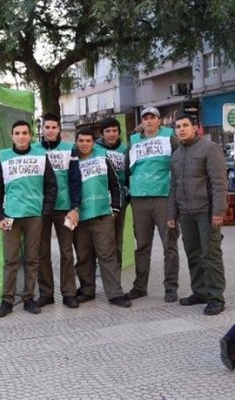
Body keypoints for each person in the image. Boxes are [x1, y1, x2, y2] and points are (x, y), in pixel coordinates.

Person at [0, 120, 57, 318]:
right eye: (17, 133)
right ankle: (7, 301)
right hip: (10, 216)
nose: (21, 136)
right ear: (12, 136)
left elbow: (51, 186)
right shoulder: (3, 156)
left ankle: (29, 298)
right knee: (10, 260)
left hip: (34, 216)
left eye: (25, 133)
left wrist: (44, 212)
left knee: (32, 259)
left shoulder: (40, 156)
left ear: (30, 136)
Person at [167, 115, 227, 315]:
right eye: (178, 126)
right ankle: (199, 292)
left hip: (207, 211)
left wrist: (218, 211)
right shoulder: (176, 155)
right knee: (193, 254)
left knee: (210, 254)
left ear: (195, 128)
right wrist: (171, 214)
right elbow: (174, 187)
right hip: (186, 212)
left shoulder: (209, 149)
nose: (182, 129)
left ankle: (216, 297)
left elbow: (219, 182)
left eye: (186, 126)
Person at [125, 106, 180, 303]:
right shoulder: (133, 141)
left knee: (169, 245)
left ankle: (171, 287)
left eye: (152, 118)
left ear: (159, 121)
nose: (149, 121)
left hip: (163, 197)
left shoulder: (170, 137)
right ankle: (140, 286)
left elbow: (180, 161)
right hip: (139, 199)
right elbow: (126, 168)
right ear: (142, 122)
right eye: (145, 118)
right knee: (142, 246)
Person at [73, 128, 130, 307]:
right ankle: (87, 290)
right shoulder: (71, 162)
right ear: (76, 142)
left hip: (102, 215)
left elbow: (115, 184)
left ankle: (115, 294)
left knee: (107, 255)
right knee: (83, 256)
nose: (84, 144)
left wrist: (115, 209)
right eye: (81, 141)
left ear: (93, 142)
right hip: (80, 218)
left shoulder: (103, 158)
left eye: (88, 141)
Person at [34, 112, 82, 309]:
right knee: (41, 252)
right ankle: (46, 294)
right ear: (42, 129)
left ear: (59, 129)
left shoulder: (69, 149)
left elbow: (75, 180)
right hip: (40, 208)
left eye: (54, 127)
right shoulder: (34, 150)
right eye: (47, 127)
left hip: (64, 208)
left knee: (66, 252)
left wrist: (75, 207)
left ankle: (69, 293)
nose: (51, 131)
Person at [96, 117, 128, 267]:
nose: (111, 134)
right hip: (98, 198)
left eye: (114, 130)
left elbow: (129, 173)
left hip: (118, 200)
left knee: (117, 237)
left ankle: (116, 270)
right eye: (107, 131)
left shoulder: (125, 149)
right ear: (102, 133)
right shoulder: (95, 148)